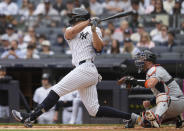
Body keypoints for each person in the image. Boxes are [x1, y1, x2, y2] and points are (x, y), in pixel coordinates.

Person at [12, 8, 140, 128]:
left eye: (74, 17)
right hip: (83, 69)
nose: (71, 19)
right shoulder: (70, 29)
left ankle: (30, 117)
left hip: (87, 67)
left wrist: (94, 29)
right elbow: (70, 33)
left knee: (56, 90)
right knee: (94, 110)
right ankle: (130, 117)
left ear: (79, 17)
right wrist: (88, 22)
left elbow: (99, 48)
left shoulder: (94, 30)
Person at [119, 50, 184, 128]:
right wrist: (151, 102)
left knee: (161, 99)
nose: (139, 61)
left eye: (142, 59)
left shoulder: (155, 69)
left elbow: (151, 84)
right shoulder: (152, 71)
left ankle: (157, 119)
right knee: (145, 121)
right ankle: (177, 118)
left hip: (178, 101)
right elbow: (161, 91)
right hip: (171, 104)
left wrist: (135, 81)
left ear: (148, 61)